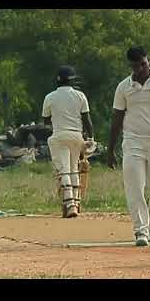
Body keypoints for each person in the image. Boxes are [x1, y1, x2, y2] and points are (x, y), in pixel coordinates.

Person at [107, 46, 150, 247]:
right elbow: (116, 119)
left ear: (148, 61)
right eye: (136, 66)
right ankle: (141, 230)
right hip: (133, 142)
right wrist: (111, 150)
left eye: (144, 64)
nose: (141, 69)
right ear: (130, 65)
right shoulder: (124, 87)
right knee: (135, 187)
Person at [42, 65, 94, 218]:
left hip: (59, 136)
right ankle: (76, 203)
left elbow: (45, 121)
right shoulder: (80, 95)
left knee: (64, 170)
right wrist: (90, 138)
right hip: (77, 136)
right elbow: (87, 120)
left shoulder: (50, 97)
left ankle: (70, 204)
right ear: (72, 80)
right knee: (73, 168)